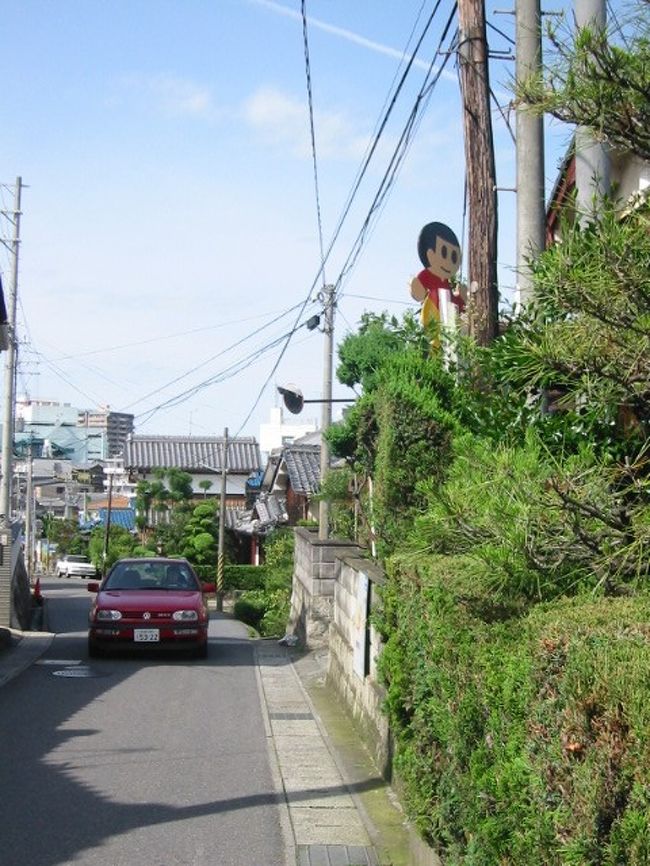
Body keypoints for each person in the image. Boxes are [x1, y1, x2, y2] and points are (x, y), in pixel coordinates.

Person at [410, 222, 465, 344]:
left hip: (449, 317)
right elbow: (419, 291)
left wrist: (461, 297)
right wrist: (417, 288)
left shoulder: (447, 284)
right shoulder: (427, 275)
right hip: (433, 312)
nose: (449, 261)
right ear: (430, 254)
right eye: (444, 252)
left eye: (454, 256)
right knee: (437, 343)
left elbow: (456, 303)